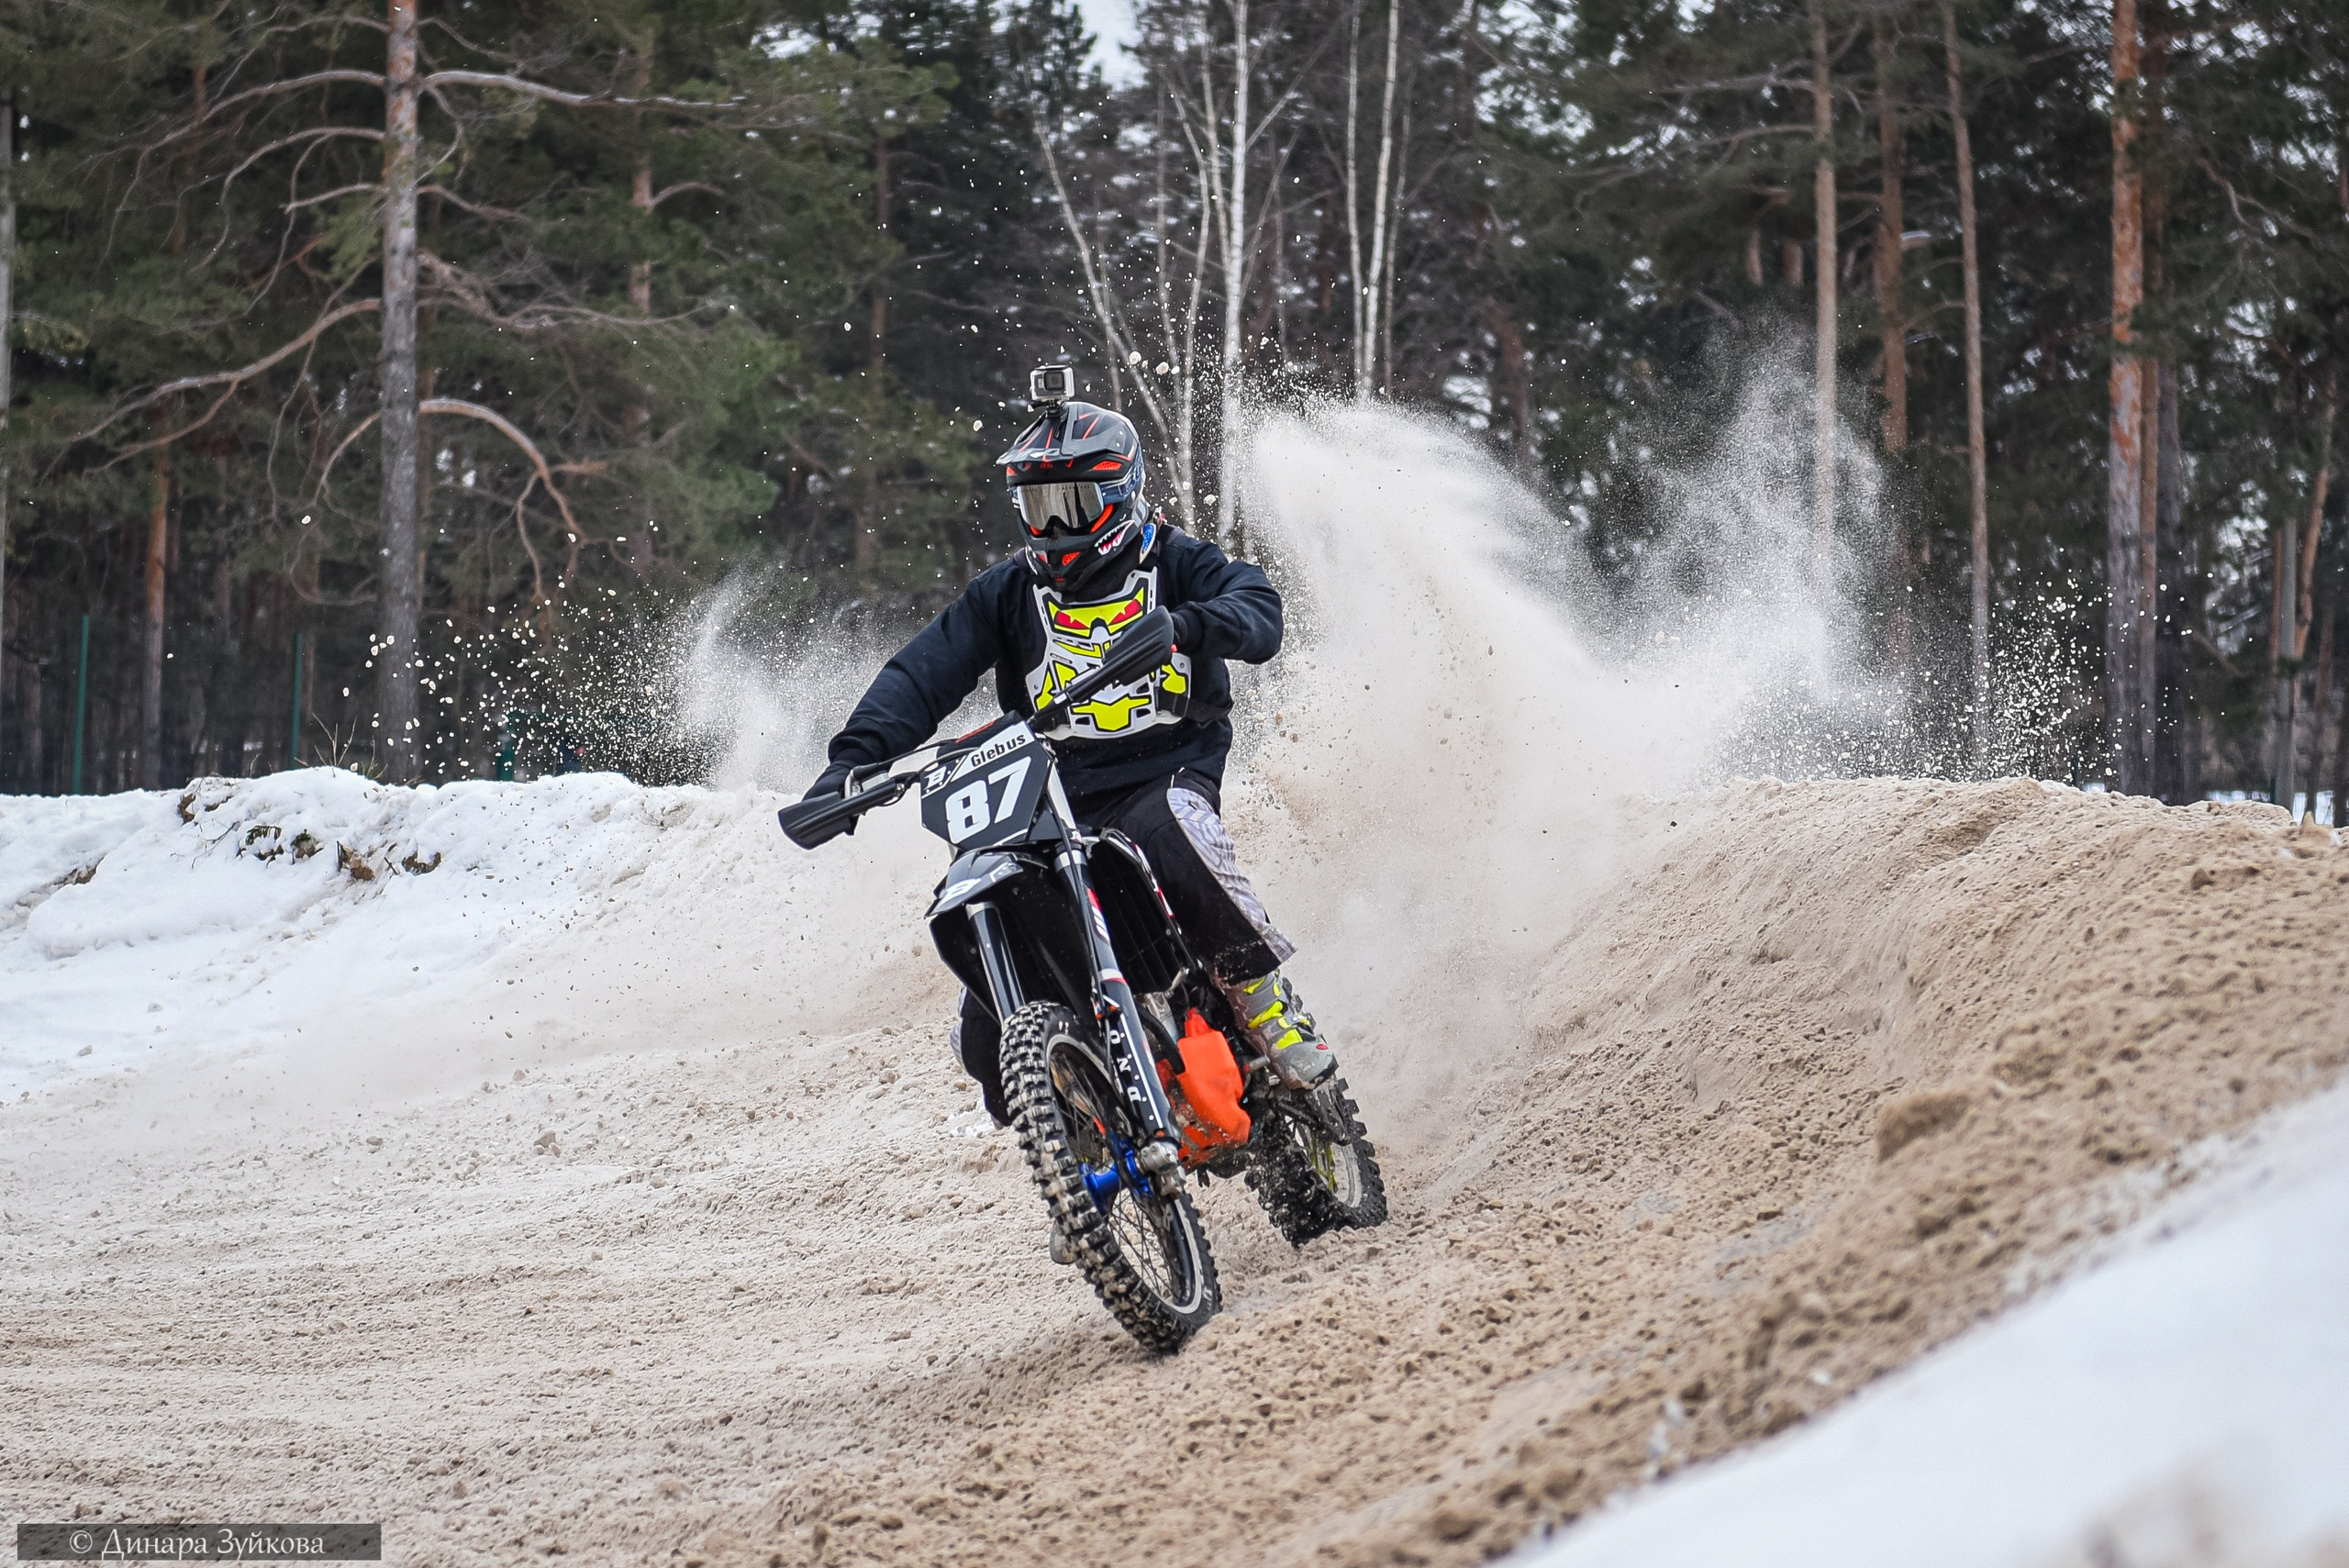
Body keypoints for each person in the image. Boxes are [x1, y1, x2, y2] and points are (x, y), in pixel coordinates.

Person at [802, 374, 1335, 1127]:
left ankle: (1263, 999)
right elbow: (923, 672)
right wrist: (850, 762)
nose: (1053, 529)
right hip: (1051, 788)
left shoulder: (1177, 561)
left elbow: (1260, 612)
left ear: (1119, 494)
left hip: (1168, 765)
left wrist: (1187, 626)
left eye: (1072, 506)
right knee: (986, 905)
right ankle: (1072, 1141)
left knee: (1170, 831)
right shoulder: (1005, 592)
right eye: (1037, 508)